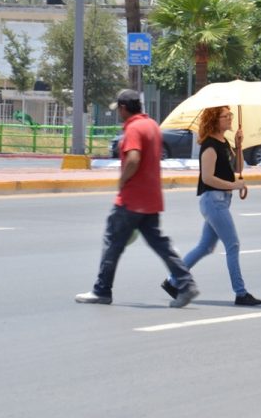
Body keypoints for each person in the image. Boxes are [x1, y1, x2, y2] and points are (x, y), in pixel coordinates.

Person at [75, 89, 199, 308]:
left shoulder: (133, 128)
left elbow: (133, 158)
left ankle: (102, 290)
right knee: (161, 244)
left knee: (112, 242)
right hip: (151, 199)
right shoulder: (152, 125)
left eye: (119, 109)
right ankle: (186, 284)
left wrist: (122, 180)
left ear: (123, 108)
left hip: (131, 200)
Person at [161, 106, 261, 306]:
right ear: (215, 120)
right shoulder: (209, 145)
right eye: (226, 116)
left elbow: (238, 168)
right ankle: (241, 293)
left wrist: (239, 146)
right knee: (233, 245)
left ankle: (173, 281)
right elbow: (207, 178)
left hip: (221, 200)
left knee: (205, 247)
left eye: (230, 115)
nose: (230, 119)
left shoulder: (224, 142)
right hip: (213, 201)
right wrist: (234, 185)